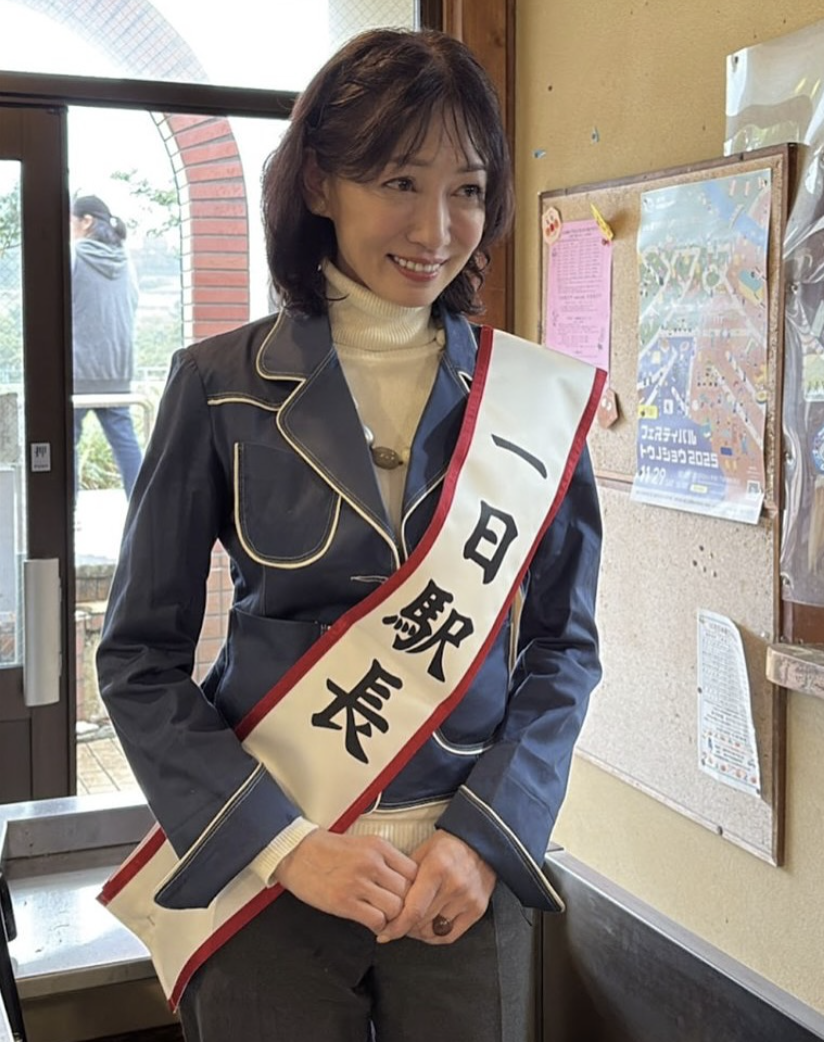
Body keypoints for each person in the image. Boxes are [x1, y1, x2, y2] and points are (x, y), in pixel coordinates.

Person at [96, 27, 604, 1042]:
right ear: (320, 183)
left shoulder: (531, 400)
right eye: (399, 181)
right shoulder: (217, 385)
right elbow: (138, 659)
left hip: (456, 882)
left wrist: (484, 836)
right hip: (270, 876)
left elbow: (563, 650)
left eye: (467, 189)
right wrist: (283, 845)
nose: (436, 227)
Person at [71, 193, 142, 497]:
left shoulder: (73, 256)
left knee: (66, 444)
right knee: (125, 444)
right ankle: (142, 512)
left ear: (86, 221)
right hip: (117, 370)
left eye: (72, 221)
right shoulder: (126, 262)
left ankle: (66, 514)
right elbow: (133, 304)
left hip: (77, 371)